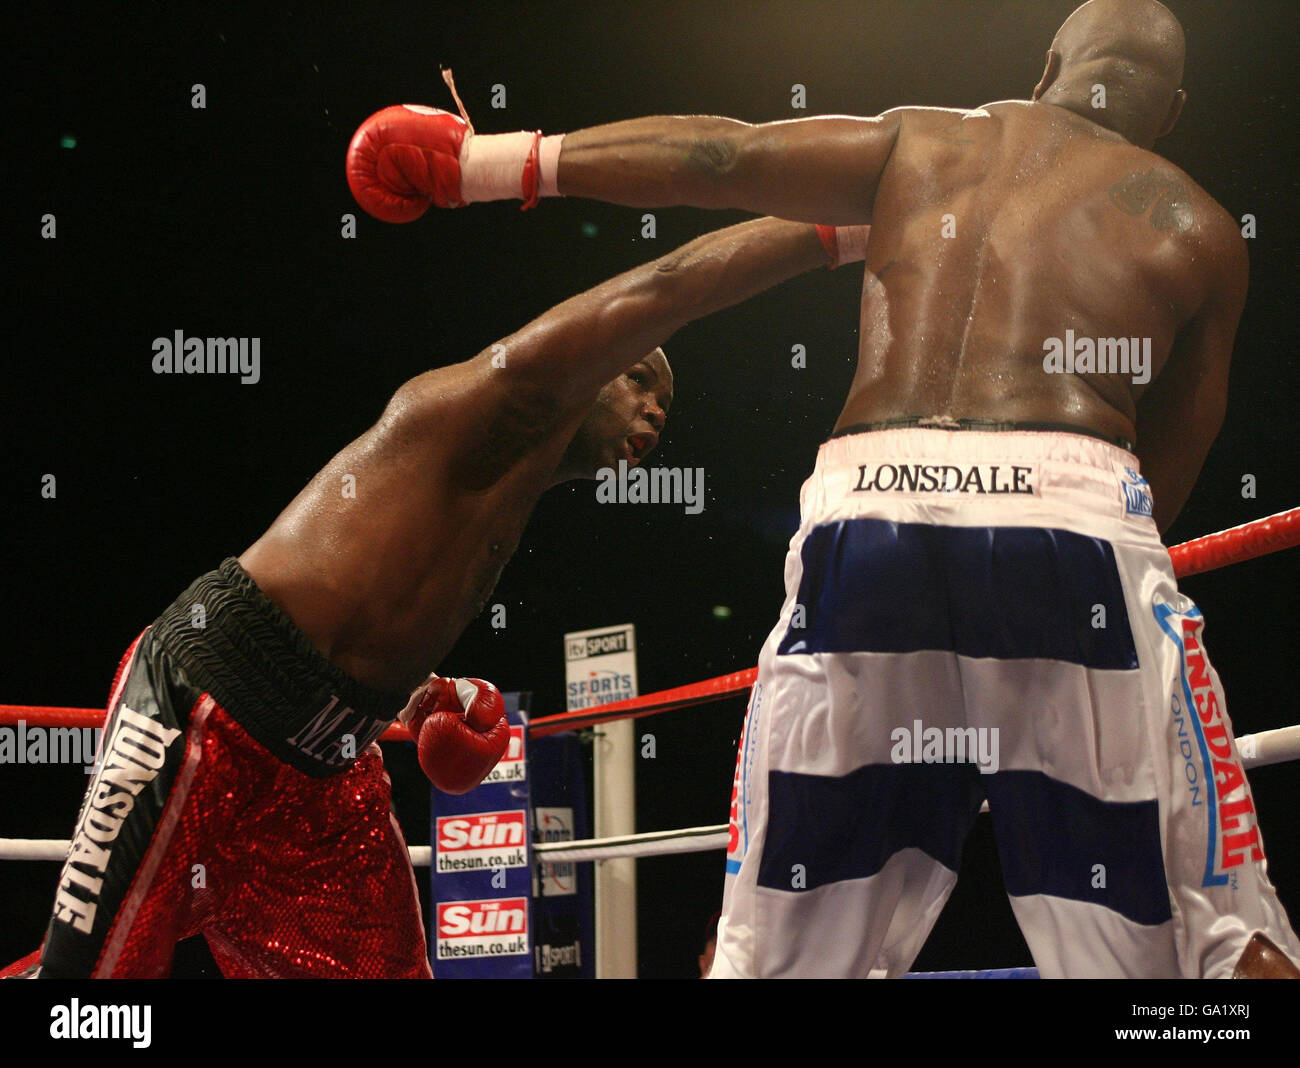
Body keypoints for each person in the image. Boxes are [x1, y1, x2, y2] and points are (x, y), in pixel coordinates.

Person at [357, 0, 1300, 977]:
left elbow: (720, 158)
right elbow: (1169, 473)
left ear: (1048, 61)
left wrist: (481, 163)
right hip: (1074, 515)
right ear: (1175, 109)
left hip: (870, 516)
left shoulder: (930, 137)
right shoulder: (1200, 228)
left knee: (770, 959)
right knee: (1211, 945)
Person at [5, 210, 862, 978]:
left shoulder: (502, 498)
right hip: (212, 702)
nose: (656, 414)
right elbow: (666, 287)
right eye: (642, 380)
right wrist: (837, 230)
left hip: (325, 774)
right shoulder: (493, 397)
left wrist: (417, 703)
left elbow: (357, 624)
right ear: (593, 361)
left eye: (667, 405)